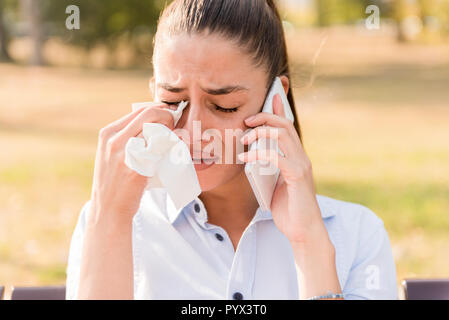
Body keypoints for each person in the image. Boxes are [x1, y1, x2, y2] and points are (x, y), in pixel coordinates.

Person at [65, 0, 398, 300]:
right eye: (172, 101)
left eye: (224, 106)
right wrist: (109, 220)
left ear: (275, 101)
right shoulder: (113, 223)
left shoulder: (357, 235)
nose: (193, 130)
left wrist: (309, 243)